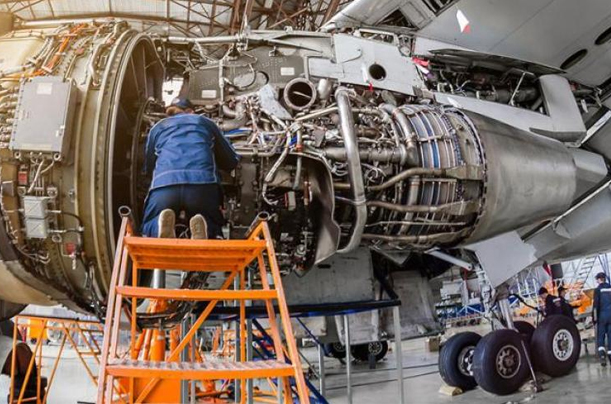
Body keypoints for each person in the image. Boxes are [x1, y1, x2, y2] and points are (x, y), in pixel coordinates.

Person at [141, 97, 239, 239]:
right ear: (191, 111)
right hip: (201, 185)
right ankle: (205, 227)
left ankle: (158, 225)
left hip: (164, 185)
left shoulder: (157, 128)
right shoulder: (204, 123)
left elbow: (149, 166)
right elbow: (231, 161)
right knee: (212, 222)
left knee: (150, 221)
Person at [593, 272, 611, 366]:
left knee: (601, 336)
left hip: (602, 316)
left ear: (600, 279)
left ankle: (602, 356)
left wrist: (594, 319)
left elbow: (596, 306)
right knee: (610, 336)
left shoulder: (598, 290)